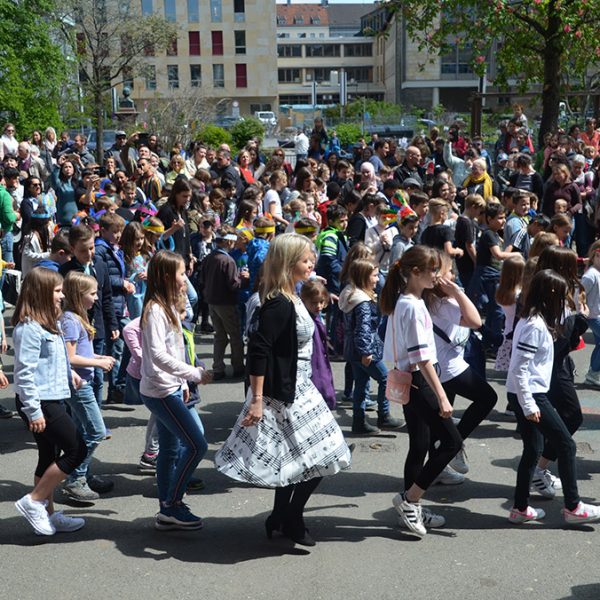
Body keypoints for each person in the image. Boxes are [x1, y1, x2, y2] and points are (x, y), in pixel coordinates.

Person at [215, 234, 351, 547]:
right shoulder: (278, 302)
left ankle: (282, 516)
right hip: (284, 394)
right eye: (306, 260)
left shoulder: (292, 294)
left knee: (299, 460)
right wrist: (258, 400)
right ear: (290, 264)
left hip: (302, 387)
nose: (312, 263)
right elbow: (259, 352)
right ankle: (291, 516)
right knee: (324, 455)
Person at [506, 269, 600, 524]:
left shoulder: (537, 319)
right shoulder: (534, 325)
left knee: (533, 449)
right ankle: (573, 507)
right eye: (562, 294)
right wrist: (528, 404)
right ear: (550, 295)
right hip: (532, 395)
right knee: (566, 445)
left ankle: (520, 508)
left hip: (529, 393)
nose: (565, 299)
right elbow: (519, 368)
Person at [381, 245, 462, 537]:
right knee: (451, 443)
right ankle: (410, 499)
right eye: (432, 270)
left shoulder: (407, 300)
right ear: (415, 272)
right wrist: (441, 395)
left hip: (410, 379)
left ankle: (411, 504)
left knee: (419, 445)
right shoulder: (411, 305)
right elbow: (421, 358)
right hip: (418, 381)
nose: (437, 276)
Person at [13, 268, 87, 535]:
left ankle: (48, 514)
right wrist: (34, 411)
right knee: (77, 449)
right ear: (42, 293)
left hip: (52, 397)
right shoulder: (29, 329)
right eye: (56, 291)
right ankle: (34, 501)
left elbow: (53, 360)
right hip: (40, 402)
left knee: (48, 456)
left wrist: (70, 374)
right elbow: (24, 374)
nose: (62, 295)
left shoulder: (49, 324)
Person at [139, 250, 210, 530]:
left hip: (170, 387)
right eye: (181, 273)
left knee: (169, 450)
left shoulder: (167, 306)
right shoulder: (156, 309)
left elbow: (176, 350)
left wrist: (182, 383)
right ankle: (173, 503)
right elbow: (157, 354)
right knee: (197, 445)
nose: (185, 278)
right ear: (168, 276)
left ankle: (166, 509)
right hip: (159, 391)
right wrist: (194, 374)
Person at [424, 253, 498, 480]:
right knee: (487, 398)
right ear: (439, 278)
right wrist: (457, 291)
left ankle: (438, 467)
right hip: (448, 368)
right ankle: (454, 446)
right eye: (450, 271)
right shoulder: (443, 303)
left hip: (446, 366)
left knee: (440, 422)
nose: (454, 275)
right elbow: (476, 321)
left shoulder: (437, 300)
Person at [60, 272, 115, 501]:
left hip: (85, 381)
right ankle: (75, 478)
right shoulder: (71, 320)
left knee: (82, 431)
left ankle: (84, 474)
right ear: (78, 295)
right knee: (96, 431)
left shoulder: (79, 318)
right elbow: (70, 357)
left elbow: (83, 351)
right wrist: (98, 362)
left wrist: (98, 356)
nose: (96, 297)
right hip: (78, 384)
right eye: (92, 293)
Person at [339, 258, 403, 434]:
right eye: (374, 275)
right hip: (364, 351)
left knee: (361, 383)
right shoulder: (364, 303)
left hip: (353, 349)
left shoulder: (350, 294)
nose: (378, 278)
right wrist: (366, 351)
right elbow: (363, 329)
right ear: (364, 277)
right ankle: (384, 416)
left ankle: (359, 422)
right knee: (385, 379)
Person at [582, 240, 600, 386]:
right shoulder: (591, 275)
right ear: (595, 256)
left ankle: (593, 374)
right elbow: (580, 295)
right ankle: (594, 372)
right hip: (593, 316)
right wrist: (583, 311)